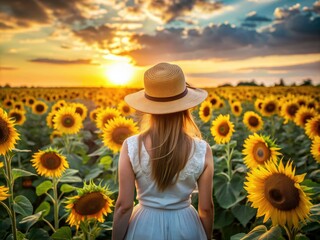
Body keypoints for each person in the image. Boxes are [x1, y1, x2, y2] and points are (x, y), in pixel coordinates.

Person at [112, 62, 214, 240]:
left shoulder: (131, 146)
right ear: (186, 107)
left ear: (148, 106)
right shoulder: (201, 149)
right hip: (186, 226)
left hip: (144, 226)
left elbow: (124, 206)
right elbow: (206, 208)